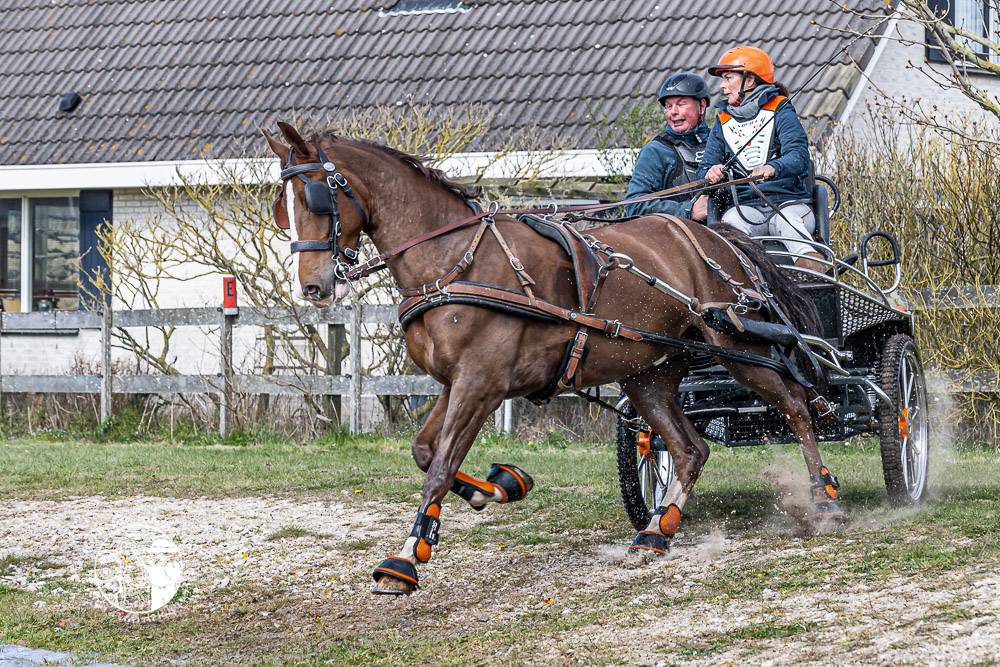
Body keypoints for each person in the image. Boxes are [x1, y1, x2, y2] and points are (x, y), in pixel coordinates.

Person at [691, 46, 825, 272]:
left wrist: (773, 167)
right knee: (732, 225)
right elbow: (704, 169)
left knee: (788, 222)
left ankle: (812, 273)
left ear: (750, 80)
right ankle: (740, 282)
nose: (722, 86)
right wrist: (710, 172)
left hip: (788, 204)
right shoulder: (722, 121)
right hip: (745, 208)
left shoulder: (781, 109)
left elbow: (799, 156)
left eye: (728, 78)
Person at [623, 72, 711, 218]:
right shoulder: (655, 151)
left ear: (701, 106)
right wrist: (688, 211)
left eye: (681, 104)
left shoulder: (720, 140)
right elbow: (634, 205)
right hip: (676, 231)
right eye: (668, 106)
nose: (673, 112)